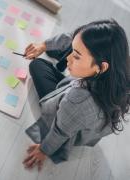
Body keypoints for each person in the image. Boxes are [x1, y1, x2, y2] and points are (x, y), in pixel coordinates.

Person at [22, 19, 130, 171]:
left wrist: (43, 150)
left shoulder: (78, 101)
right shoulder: (120, 65)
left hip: (73, 118)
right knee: (68, 47)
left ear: (101, 67)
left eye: (76, 56)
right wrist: (44, 45)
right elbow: (74, 37)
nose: (69, 58)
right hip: (87, 113)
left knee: (37, 65)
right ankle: (70, 51)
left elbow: (60, 132)